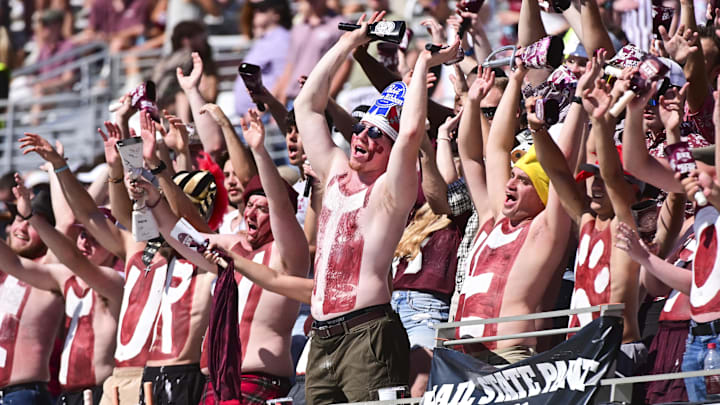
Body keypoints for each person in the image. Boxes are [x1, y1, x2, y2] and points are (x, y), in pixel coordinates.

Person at [18, 117, 216, 405]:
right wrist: (61, 167)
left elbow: (189, 222)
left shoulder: (204, 251)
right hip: (120, 379)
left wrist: (163, 162)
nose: (157, 204)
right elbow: (88, 215)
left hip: (163, 376)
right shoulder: (137, 246)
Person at [530, 51, 647, 375]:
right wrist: (537, 129)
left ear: (632, 188)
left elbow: (611, 176)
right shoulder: (586, 221)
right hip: (579, 354)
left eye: (603, 179)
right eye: (589, 177)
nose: (595, 185)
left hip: (617, 351)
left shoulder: (627, 223)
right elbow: (556, 173)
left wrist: (601, 122)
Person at [453, 62, 572, 364]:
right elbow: (490, 151)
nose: (511, 182)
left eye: (524, 181)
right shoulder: (493, 219)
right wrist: (513, 81)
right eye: (513, 176)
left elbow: (562, 172)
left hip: (509, 355)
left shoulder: (544, 230)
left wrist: (579, 105)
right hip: (458, 358)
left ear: (543, 194)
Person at [0, 176, 122, 405]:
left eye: (95, 238)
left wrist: (59, 169)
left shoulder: (116, 281)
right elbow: (14, 264)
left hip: (99, 392)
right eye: (83, 234)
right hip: (67, 395)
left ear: (114, 243)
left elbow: (71, 250)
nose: (85, 242)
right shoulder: (64, 277)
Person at [0, 190, 63, 404]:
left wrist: (58, 169)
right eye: (19, 219)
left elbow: (68, 223)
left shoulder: (49, 270)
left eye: (32, 224)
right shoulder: (4, 272)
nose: (23, 228)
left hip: (24, 394)